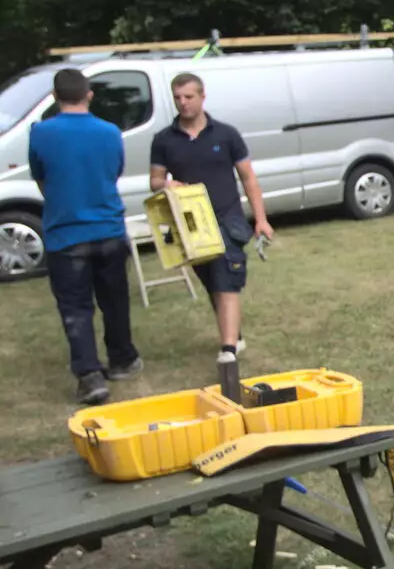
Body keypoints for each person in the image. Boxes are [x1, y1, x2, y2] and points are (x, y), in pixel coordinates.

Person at [27, 68, 142, 404]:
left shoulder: (41, 133)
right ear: (89, 94)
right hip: (107, 227)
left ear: (55, 96)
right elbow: (114, 171)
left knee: (76, 308)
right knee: (115, 300)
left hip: (66, 233)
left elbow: (41, 176)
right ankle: (122, 359)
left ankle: (90, 377)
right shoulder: (110, 132)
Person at [148, 73, 273, 361]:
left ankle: (227, 349)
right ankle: (234, 334)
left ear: (203, 97)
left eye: (188, 97)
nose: (183, 103)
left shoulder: (226, 134)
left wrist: (261, 219)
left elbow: (248, 177)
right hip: (190, 225)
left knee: (225, 277)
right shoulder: (164, 140)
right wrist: (165, 184)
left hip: (227, 219)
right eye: (177, 98)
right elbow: (154, 180)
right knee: (211, 282)